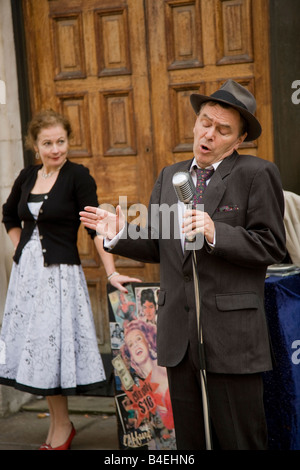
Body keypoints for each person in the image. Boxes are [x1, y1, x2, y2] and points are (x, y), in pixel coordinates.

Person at [80, 80, 287, 450]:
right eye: (205, 122)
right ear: (195, 123)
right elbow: (157, 243)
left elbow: (271, 245)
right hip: (179, 336)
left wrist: (215, 232)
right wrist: (118, 233)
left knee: (240, 440)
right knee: (191, 440)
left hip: (231, 337)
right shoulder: (170, 176)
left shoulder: (256, 174)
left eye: (222, 129)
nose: (209, 134)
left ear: (239, 140)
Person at [0, 109, 140, 450]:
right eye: (47, 143)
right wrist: (24, 250)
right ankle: (60, 425)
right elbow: (9, 215)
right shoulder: (27, 175)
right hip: (26, 280)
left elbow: (95, 228)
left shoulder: (78, 177)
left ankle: (61, 428)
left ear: (68, 141)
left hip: (59, 279)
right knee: (38, 355)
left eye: (61, 141)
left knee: (52, 355)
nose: (55, 149)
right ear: (35, 145)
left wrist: (110, 270)